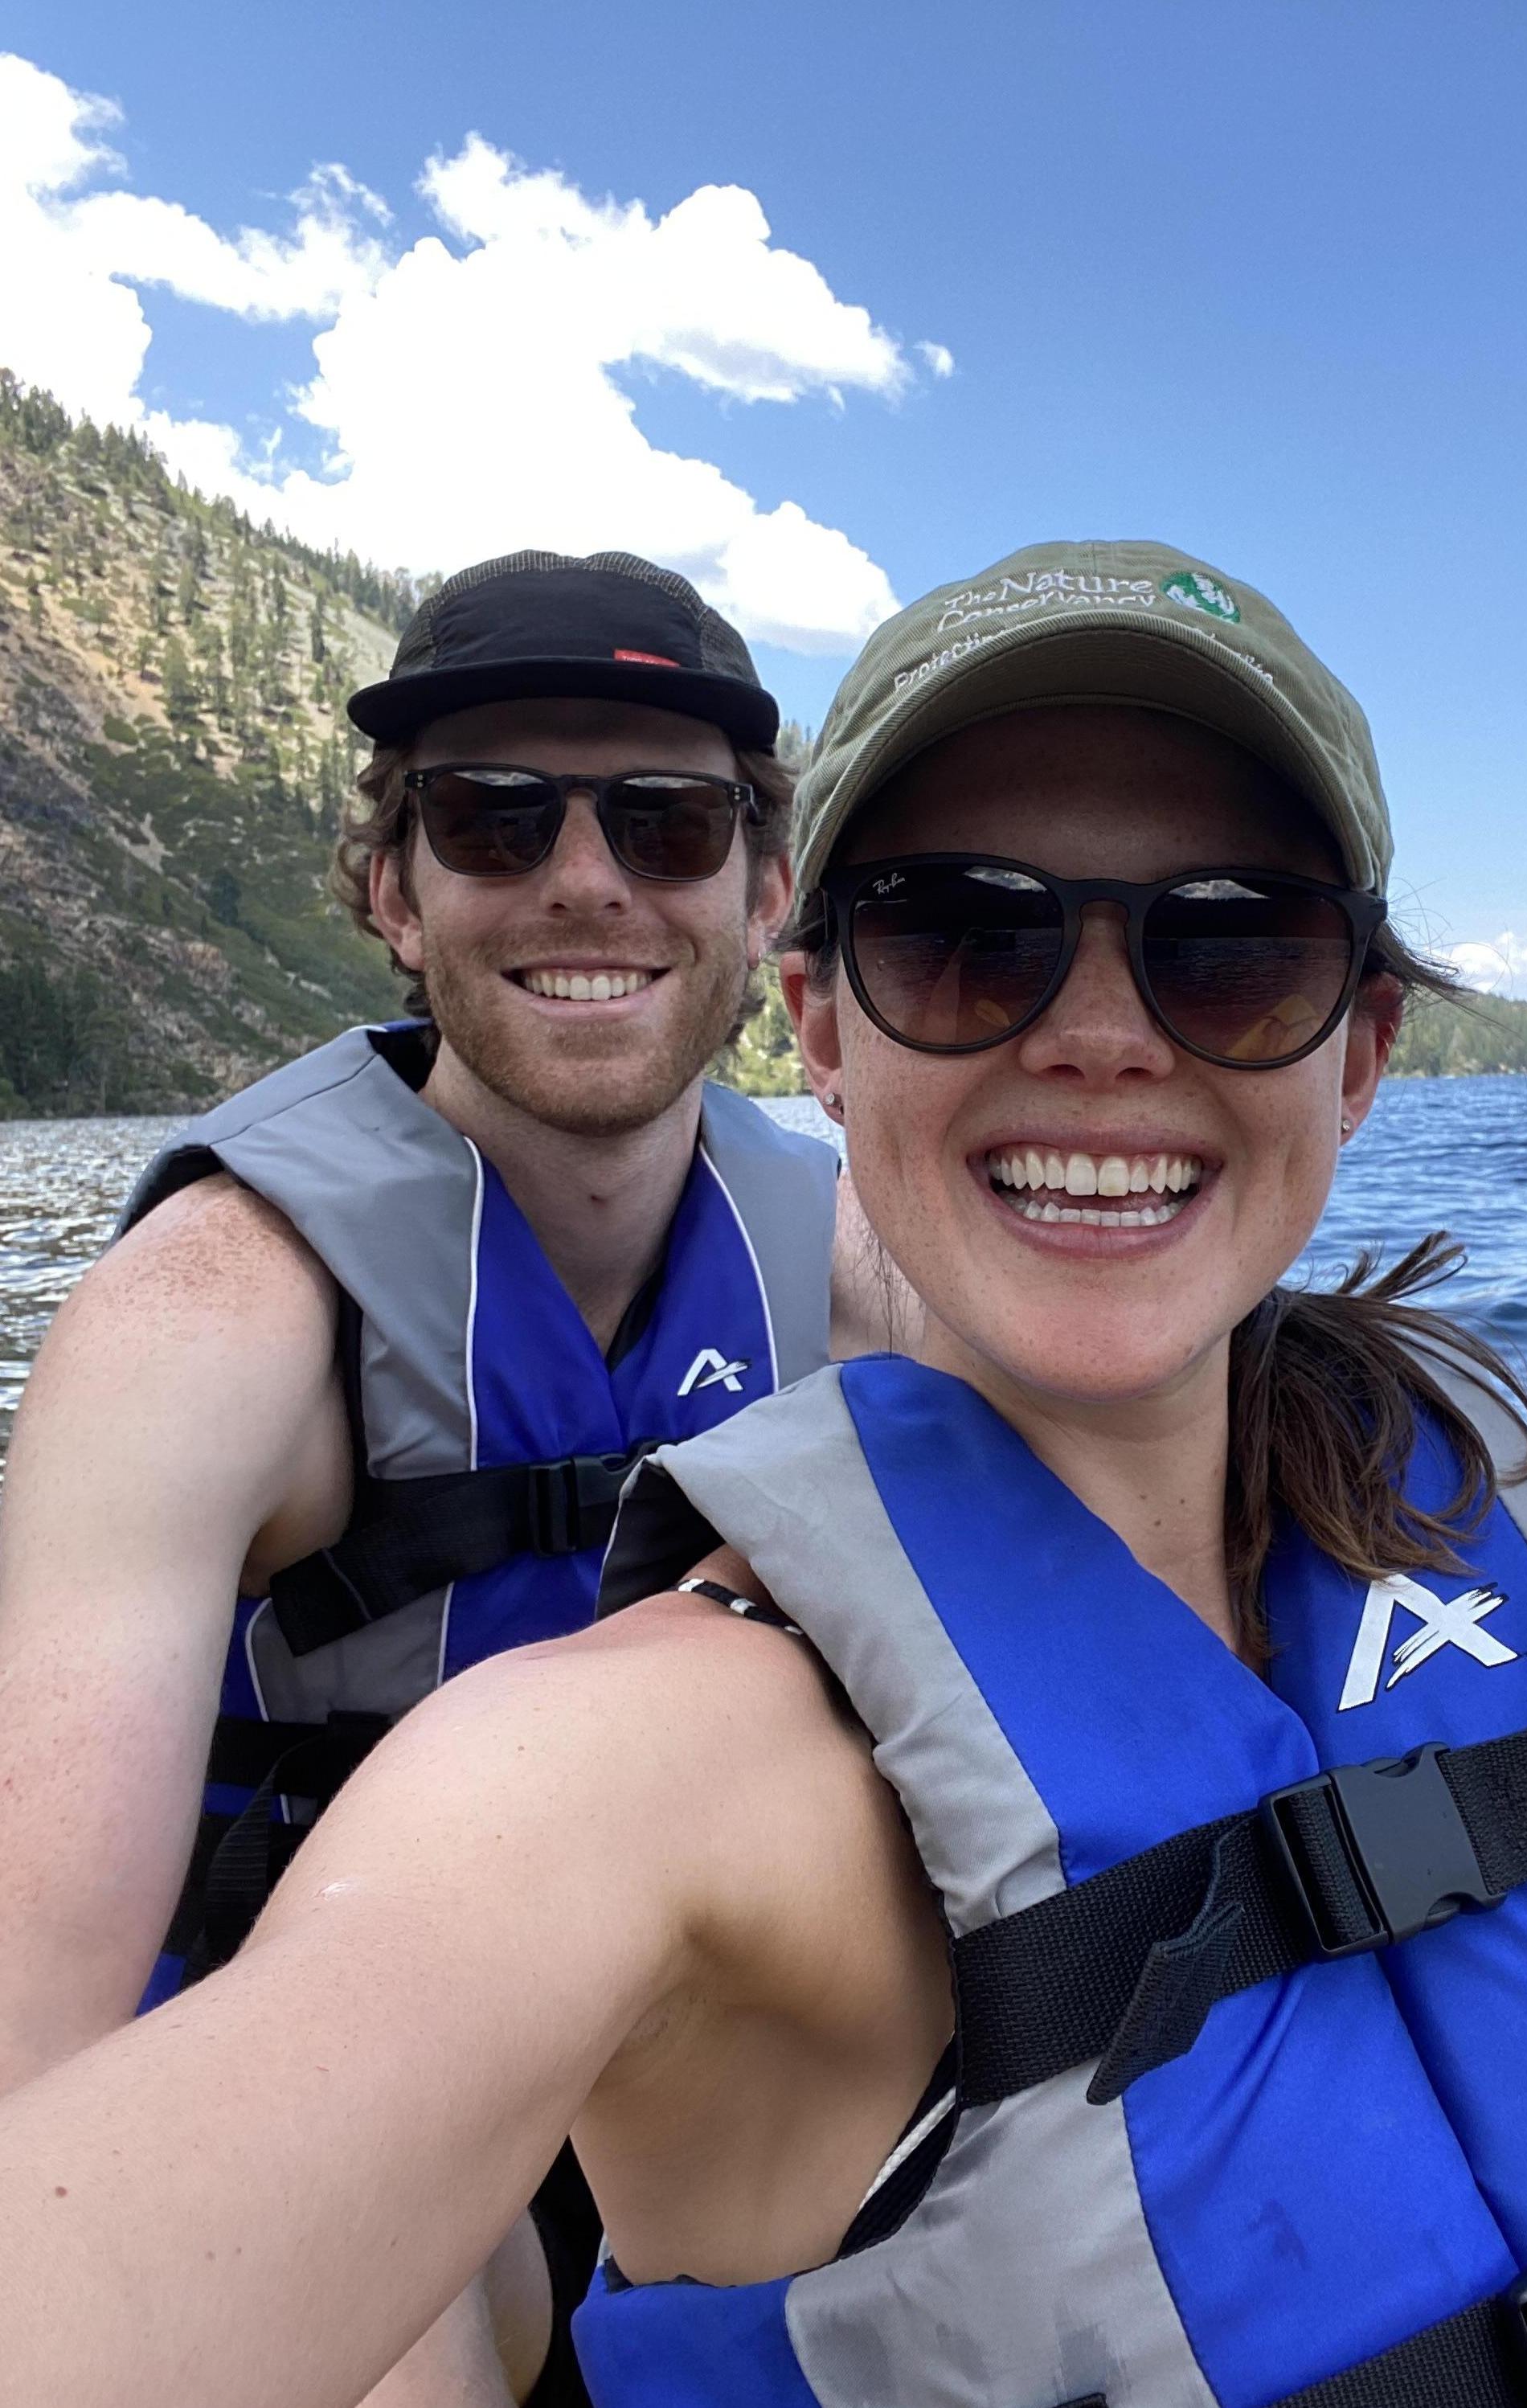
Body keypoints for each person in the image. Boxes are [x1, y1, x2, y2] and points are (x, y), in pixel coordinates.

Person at [5, 540, 1527, 2408]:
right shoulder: (577, 1759)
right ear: (822, 1015)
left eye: (1229, 956)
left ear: (1358, 1052)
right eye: (964, 940)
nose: (1098, 1041)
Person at [0, 550, 897, 2405]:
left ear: (765, 888)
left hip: (705, 2041)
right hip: (319, 2049)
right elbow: (33, 2032)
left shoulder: (851, 1260)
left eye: (666, 820)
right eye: (496, 818)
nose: (587, 878)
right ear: (397, 892)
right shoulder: (210, 1323)